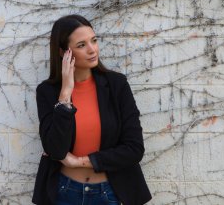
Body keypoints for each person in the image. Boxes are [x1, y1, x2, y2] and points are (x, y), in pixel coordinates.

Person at [32, 14, 152, 205]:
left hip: (108, 192)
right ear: (64, 52)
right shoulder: (47, 92)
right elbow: (55, 149)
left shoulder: (116, 85)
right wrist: (65, 94)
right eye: (81, 45)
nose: (92, 50)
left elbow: (134, 149)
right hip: (63, 192)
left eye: (94, 41)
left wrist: (80, 162)